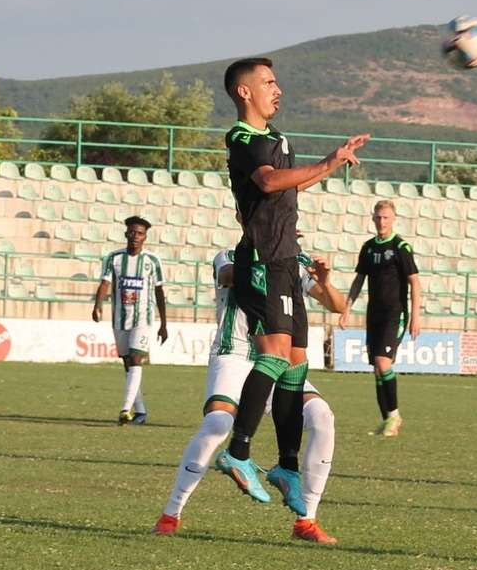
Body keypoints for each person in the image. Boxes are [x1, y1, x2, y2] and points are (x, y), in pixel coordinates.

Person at [213, 56, 369, 502]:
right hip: (262, 259)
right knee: (277, 354)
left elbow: (289, 185)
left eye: (276, 81)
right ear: (244, 91)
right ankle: (238, 453)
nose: (277, 89)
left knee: (297, 362)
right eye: (268, 82)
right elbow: (268, 182)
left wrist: (331, 165)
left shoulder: (276, 137)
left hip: (285, 259)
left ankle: (285, 465)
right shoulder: (243, 137)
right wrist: (325, 160)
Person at [156, 245, 351, 543]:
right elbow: (228, 275)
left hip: (279, 358)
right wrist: (278, 263)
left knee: (321, 416)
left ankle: (306, 520)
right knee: (217, 423)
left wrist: (323, 281)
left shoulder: (295, 262)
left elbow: (337, 305)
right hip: (234, 356)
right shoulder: (231, 256)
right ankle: (171, 514)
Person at [347, 199, 423, 436]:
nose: (382, 221)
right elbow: (359, 280)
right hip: (374, 314)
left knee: (383, 362)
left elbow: (414, 282)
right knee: (377, 369)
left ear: (393, 219)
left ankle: (395, 416)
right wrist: (347, 308)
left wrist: (416, 316)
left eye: (386, 217)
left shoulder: (401, 247)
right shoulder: (369, 247)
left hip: (395, 313)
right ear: (373, 218)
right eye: (378, 217)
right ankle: (387, 420)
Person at [91, 215, 168, 424]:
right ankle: (140, 411)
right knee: (128, 363)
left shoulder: (152, 261)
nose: (135, 236)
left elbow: (159, 291)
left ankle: (125, 409)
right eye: (132, 232)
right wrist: (97, 305)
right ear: (126, 234)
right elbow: (105, 283)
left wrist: (164, 323)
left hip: (143, 318)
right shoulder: (114, 258)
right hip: (119, 318)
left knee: (135, 358)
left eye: (140, 233)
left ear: (145, 237)